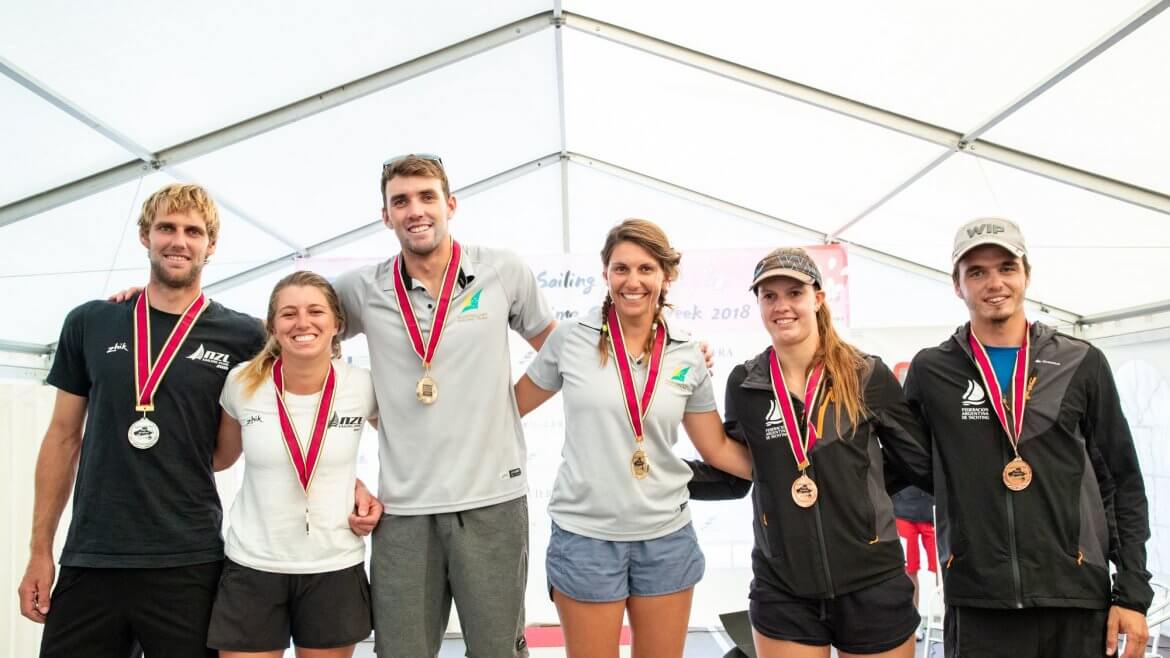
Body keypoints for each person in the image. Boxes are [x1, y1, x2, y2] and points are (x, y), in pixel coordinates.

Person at [15, 184, 267, 658]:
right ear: (144, 236)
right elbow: (63, 437)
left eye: (193, 231)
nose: (179, 240)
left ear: (211, 245)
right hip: (93, 555)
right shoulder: (92, 322)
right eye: (166, 228)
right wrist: (39, 550)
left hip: (188, 558)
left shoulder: (243, 335)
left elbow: (289, 411)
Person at [332, 154, 557, 657]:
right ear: (385, 215)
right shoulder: (362, 288)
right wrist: (364, 405)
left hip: (493, 503)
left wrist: (506, 406)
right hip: (406, 509)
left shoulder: (501, 271)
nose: (416, 210)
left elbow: (564, 352)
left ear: (450, 204)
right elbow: (290, 330)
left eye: (427, 196)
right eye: (401, 201)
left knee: (499, 652)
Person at [903, 217, 1152, 658]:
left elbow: (1122, 481)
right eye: (976, 272)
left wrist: (1131, 591)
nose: (994, 282)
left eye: (1005, 267)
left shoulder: (1081, 362)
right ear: (957, 285)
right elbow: (904, 466)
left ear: (1026, 275)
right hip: (979, 602)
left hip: (1075, 596)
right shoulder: (932, 371)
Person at [512, 218, 752, 657]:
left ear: (666, 275)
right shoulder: (570, 340)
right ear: (606, 274)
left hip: (666, 537)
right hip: (585, 537)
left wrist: (793, 468)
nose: (632, 281)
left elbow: (715, 447)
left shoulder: (686, 354)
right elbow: (509, 410)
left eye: (645, 269)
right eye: (621, 268)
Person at [688, 247, 932, 658]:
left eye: (794, 293)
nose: (782, 306)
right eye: (770, 296)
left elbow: (917, 462)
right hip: (784, 587)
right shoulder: (745, 383)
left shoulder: (864, 373)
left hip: (872, 579)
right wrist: (660, 475)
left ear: (818, 298)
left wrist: (855, 495)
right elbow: (736, 475)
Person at [205, 271, 378, 657]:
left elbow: (408, 454)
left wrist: (366, 490)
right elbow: (220, 458)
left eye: (316, 311)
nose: (303, 323)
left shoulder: (362, 386)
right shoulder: (240, 383)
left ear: (337, 323)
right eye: (289, 314)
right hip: (253, 565)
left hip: (333, 565)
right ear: (271, 326)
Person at [891, 486, 936, 611]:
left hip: (932, 510)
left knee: (941, 567)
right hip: (903, 512)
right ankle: (913, 620)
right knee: (909, 570)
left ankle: (948, 616)